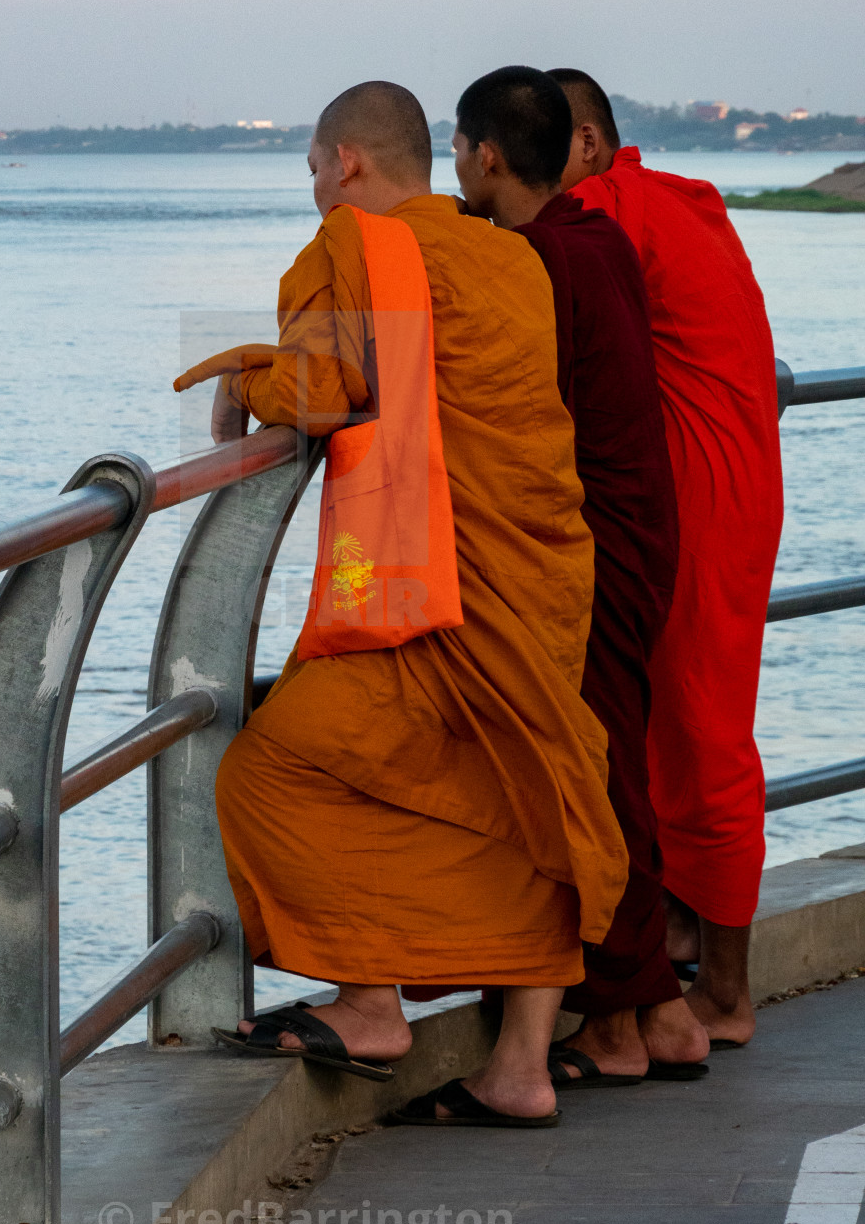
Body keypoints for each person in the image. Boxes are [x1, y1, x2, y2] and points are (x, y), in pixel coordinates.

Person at [174, 81, 627, 1124]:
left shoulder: (355, 248)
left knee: (274, 770)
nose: (317, 194)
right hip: (542, 565)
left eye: (313, 173)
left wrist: (244, 373)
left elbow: (331, 387)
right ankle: (517, 1068)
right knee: (529, 795)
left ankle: (371, 1000)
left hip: (437, 585)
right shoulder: (509, 254)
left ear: (347, 165)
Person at [450, 65, 710, 1086]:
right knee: (611, 768)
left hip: (593, 545)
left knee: (594, 777)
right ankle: (657, 1016)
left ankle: (619, 1023)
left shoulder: (538, 264)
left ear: (488, 156)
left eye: (458, 149)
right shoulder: (589, 240)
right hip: (638, 530)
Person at [553, 67, 783, 1047]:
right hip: (732, 485)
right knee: (667, 731)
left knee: (702, 738)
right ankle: (680, 936)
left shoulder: (606, 208)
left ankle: (725, 994)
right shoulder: (678, 205)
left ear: (591, 146)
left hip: (699, 499)